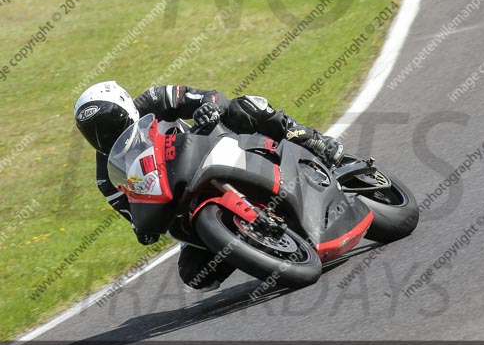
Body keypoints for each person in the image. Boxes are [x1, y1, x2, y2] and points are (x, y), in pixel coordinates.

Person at [74, 80, 343, 291]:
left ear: (125, 107)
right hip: (184, 201)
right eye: (93, 132)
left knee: (244, 107)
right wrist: (144, 229)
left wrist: (208, 108)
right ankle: (251, 246)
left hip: (213, 147)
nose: (105, 136)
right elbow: (134, 216)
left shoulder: (156, 99)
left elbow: (210, 96)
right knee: (195, 275)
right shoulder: (106, 177)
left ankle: (312, 141)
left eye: (110, 124)